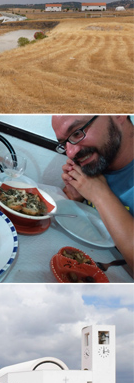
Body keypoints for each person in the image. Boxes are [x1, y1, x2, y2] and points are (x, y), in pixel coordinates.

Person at [51, 115, 133, 277]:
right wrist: (77, 198)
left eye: (76, 132)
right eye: (63, 144)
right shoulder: (101, 156)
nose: (70, 152)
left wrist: (100, 194)